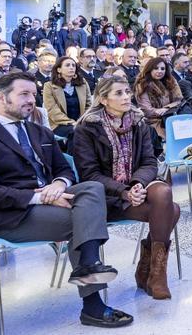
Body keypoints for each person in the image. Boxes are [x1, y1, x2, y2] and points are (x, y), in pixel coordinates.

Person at [0, 72, 133, 328]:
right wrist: (40, 197)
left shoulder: (39, 131)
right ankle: (93, 305)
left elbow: (64, 171)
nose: (32, 100)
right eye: (24, 94)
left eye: (33, 94)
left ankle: (87, 264)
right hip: (10, 213)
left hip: (49, 198)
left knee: (92, 188)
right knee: (81, 219)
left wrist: (58, 184)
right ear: (2, 97)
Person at [73, 77, 179, 300]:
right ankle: (148, 273)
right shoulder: (87, 127)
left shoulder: (138, 121)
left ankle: (155, 274)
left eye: (127, 92)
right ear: (103, 99)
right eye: (118, 93)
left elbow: (150, 162)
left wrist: (136, 184)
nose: (126, 97)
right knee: (173, 210)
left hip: (135, 187)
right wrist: (123, 191)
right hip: (105, 197)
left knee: (163, 193)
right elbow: (89, 175)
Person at [134, 57, 183, 141]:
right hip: (154, 121)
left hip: (172, 117)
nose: (160, 71)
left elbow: (179, 100)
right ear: (149, 69)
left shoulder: (171, 81)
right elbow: (147, 111)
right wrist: (162, 111)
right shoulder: (142, 84)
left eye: (162, 69)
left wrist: (166, 108)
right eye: (156, 68)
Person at [44, 56, 91, 141]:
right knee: (76, 132)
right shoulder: (49, 86)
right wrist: (72, 123)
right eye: (67, 65)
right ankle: (74, 155)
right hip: (60, 124)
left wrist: (82, 121)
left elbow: (89, 106)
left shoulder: (83, 83)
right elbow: (52, 110)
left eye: (73, 65)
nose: (71, 67)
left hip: (81, 122)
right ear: (59, 70)